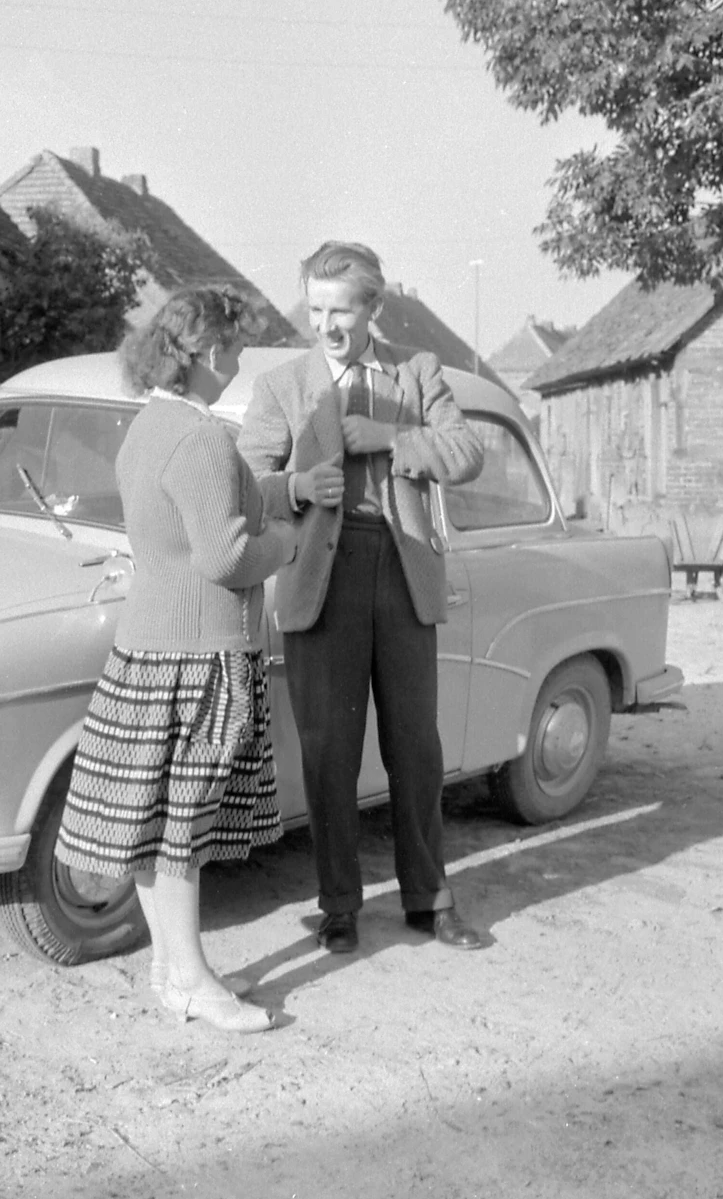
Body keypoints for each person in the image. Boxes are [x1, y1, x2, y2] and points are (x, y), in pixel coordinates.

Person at [55, 285, 297, 1034]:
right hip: (198, 657)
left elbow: (189, 517)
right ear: (209, 353)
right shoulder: (203, 438)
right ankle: (193, 978)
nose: (239, 362)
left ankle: (169, 967)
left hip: (147, 650)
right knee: (183, 826)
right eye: (235, 347)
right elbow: (226, 554)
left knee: (152, 822)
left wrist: (279, 489)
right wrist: (287, 540)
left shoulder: (148, 426)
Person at [238, 241, 486, 955]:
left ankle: (429, 900)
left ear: (374, 306)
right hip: (323, 578)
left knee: (417, 748)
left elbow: (465, 453)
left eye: (342, 309)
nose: (328, 325)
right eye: (316, 309)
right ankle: (339, 905)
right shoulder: (284, 386)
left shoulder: (416, 373)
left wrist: (391, 437)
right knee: (328, 751)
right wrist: (294, 487)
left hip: (403, 573)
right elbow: (245, 481)